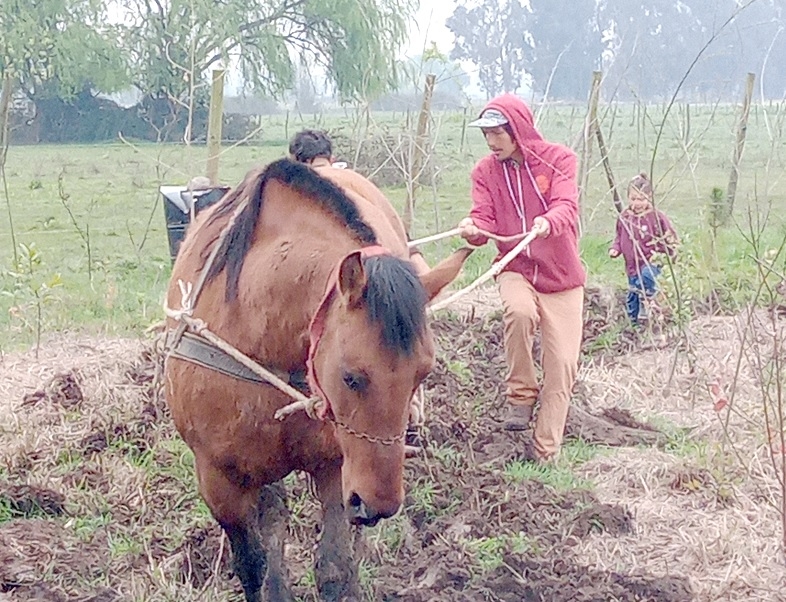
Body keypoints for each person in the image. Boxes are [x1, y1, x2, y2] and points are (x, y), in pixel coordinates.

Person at [457, 94, 586, 463]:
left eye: (498, 133)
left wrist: (550, 221)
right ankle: (520, 396)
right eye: (487, 135)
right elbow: (484, 222)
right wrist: (473, 228)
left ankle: (545, 454)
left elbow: (567, 204)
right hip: (514, 268)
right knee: (518, 312)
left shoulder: (559, 159)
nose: (492, 142)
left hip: (562, 278)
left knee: (561, 369)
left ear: (517, 129)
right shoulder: (485, 172)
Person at [287, 129, 430, 275]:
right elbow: (392, 225)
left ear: (294, 163)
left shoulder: (295, 192)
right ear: (332, 159)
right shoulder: (358, 182)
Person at [609, 173, 678, 325]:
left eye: (641, 199)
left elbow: (669, 237)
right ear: (628, 197)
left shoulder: (656, 217)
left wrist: (673, 252)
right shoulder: (625, 217)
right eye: (633, 199)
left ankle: (650, 307)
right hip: (632, 266)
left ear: (649, 197)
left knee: (646, 279)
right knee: (633, 293)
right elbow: (619, 237)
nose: (637, 203)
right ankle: (633, 324)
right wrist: (615, 248)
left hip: (652, 261)